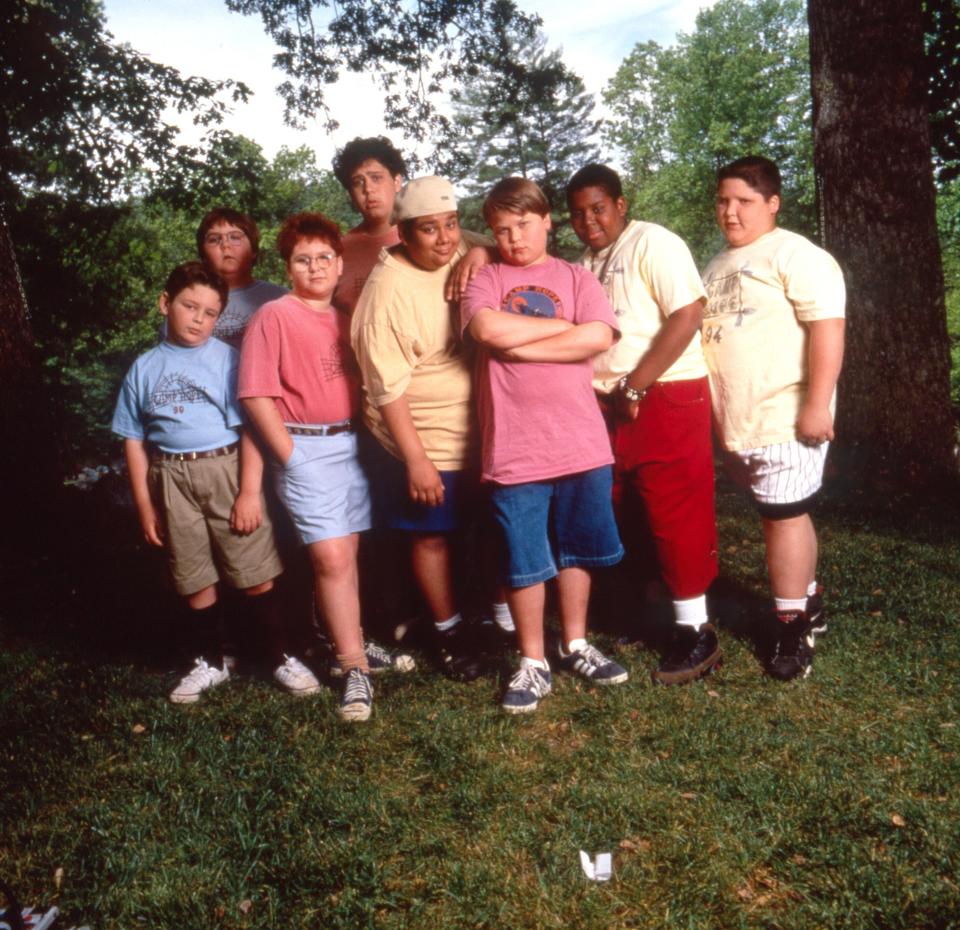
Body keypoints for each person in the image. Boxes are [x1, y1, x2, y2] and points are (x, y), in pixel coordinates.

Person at [112, 261, 318, 703]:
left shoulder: (229, 360)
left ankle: (280, 655)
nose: (199, 319)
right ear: (165, 304)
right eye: (190, 307)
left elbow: (251, 429)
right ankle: (208, 662)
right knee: (192, 576)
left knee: (254, 572)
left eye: (210, 313)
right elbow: (133, 441)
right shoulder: (143, 369)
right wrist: (146, 507)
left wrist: (248, 492)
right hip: (170, 475)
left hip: (226, 469)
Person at [461, 177, 628, 714]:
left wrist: (527, 344)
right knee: (524, 555)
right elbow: (487, 329)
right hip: (514, 445)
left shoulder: (577, 277)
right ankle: (532, 660)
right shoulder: (485, 277)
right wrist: (562, 330)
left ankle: (575, 642)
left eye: (525, 225)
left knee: (579, 546)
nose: (514, 238)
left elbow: (599, 336)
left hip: (580, 439)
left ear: (548, 220)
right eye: (502, 230)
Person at [567, 164, 720, 685]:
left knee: (677, 509)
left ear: (621, 204)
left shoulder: (652, 242)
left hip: (663, 390)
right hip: (608, 400)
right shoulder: (584, 263)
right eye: (579, 214)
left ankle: (697, 632)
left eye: (599, 208)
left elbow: (688, 313)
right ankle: (653, 611)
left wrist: (637, 384)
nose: (590, 221)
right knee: (625, 506)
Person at [351, 176, 509, 681]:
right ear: (401, 232)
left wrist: (478, 257)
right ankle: (447, 629)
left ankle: (489, 618)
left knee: (488, 525)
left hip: (478, 424)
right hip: (418, 432)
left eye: (451, 224)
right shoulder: (385, 294)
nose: (444, 239)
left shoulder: (461, 248)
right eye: (428, 230)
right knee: (431, 535)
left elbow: (501, 243)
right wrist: (416, 460)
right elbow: (386, 389)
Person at [702, 155, 845, 680]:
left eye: (744, 201)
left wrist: (816, 403)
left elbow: (828, 327)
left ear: (773, 203)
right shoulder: (716, 264)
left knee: (783, 516)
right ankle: (809, 600)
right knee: (778, 514)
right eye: (723, 200)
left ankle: (792, 628)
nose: (731, 212)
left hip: (786, 411)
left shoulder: (796, 253)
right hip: (740, 420)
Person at [238, 212, 377, 721]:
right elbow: (255, 396)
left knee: (347, 554)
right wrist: (291, 458)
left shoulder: (345, 316)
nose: (315, 267)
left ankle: (350, 640)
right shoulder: (274, 315)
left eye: (324, 258)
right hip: (304, 447)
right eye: (303, 259)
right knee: (331, 559)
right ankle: (354, 667)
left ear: (340, 263)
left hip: (350, 446)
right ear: (289, 266)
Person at [332, 136, 407, 315]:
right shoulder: (338, 250)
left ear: (397, 181)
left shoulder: (426, 235)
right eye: (358, 182)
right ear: (350, 192)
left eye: (376, 178)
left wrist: (479, 253)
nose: (368, 189)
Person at [196, 207, 287, 348]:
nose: (225, 245)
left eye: (235, 237)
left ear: (253, 250)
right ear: (203, 255)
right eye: (214, 239)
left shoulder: (282, 298)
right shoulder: (188, 302)